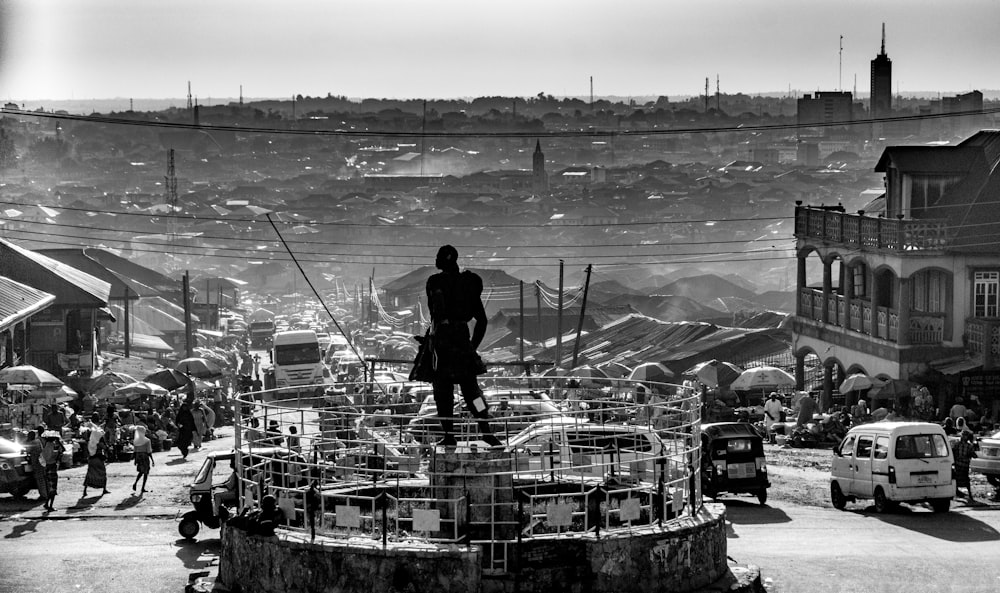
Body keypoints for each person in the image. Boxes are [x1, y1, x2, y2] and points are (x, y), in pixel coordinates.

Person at [424, 244, 501, 448]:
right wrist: (472, 346)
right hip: (462, 343)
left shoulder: (435, 282)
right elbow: (482, 321)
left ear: (443, 259)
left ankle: (450, 435)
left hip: (443, 344)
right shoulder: (469, 283)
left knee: (444, 395)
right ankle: (485, 430)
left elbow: (434, 314)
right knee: (473, 393)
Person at [82, 422, 110, 497]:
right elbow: (105, 448)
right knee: (103, 474)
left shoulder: (91, 443)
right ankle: (104, 489)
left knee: (90, 474)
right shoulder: (99, 443)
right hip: (98, 460)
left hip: (91, 460)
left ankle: (85, 491)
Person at [39, 430, 64, 511]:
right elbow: (61, 451)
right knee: (53, 488)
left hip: (48, 467)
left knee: (51, 488)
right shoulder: (52, 446)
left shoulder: (47, 445)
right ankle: (50, 506)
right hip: (51, 467)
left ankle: (47, 504)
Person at [23, 430, 48, 503]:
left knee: (40, 480)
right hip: (42, 462)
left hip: (37, 463)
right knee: (44, 478)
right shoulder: (38, 441)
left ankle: (43, 495)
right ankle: (47, 494)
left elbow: (27, 450)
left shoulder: (32, 443)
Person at [952, 431, 977, 499]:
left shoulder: (960, 445)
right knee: (963, 479)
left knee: (960, 479)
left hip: (961, 464)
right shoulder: (961, 445)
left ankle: (963, 493)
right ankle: (967, 494)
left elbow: (974, 455)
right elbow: (974, 455)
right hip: (962, 464)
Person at [132, 425, 155, 493]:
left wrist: (135, 460)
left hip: (138, 457)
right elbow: (149, 452)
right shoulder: (147, 440)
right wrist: (152, 460)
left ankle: (135, 482)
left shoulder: (135, 441)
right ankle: (143, 487)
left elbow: (135, 452)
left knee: (141, 471)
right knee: (145, 472)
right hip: (145, 457)